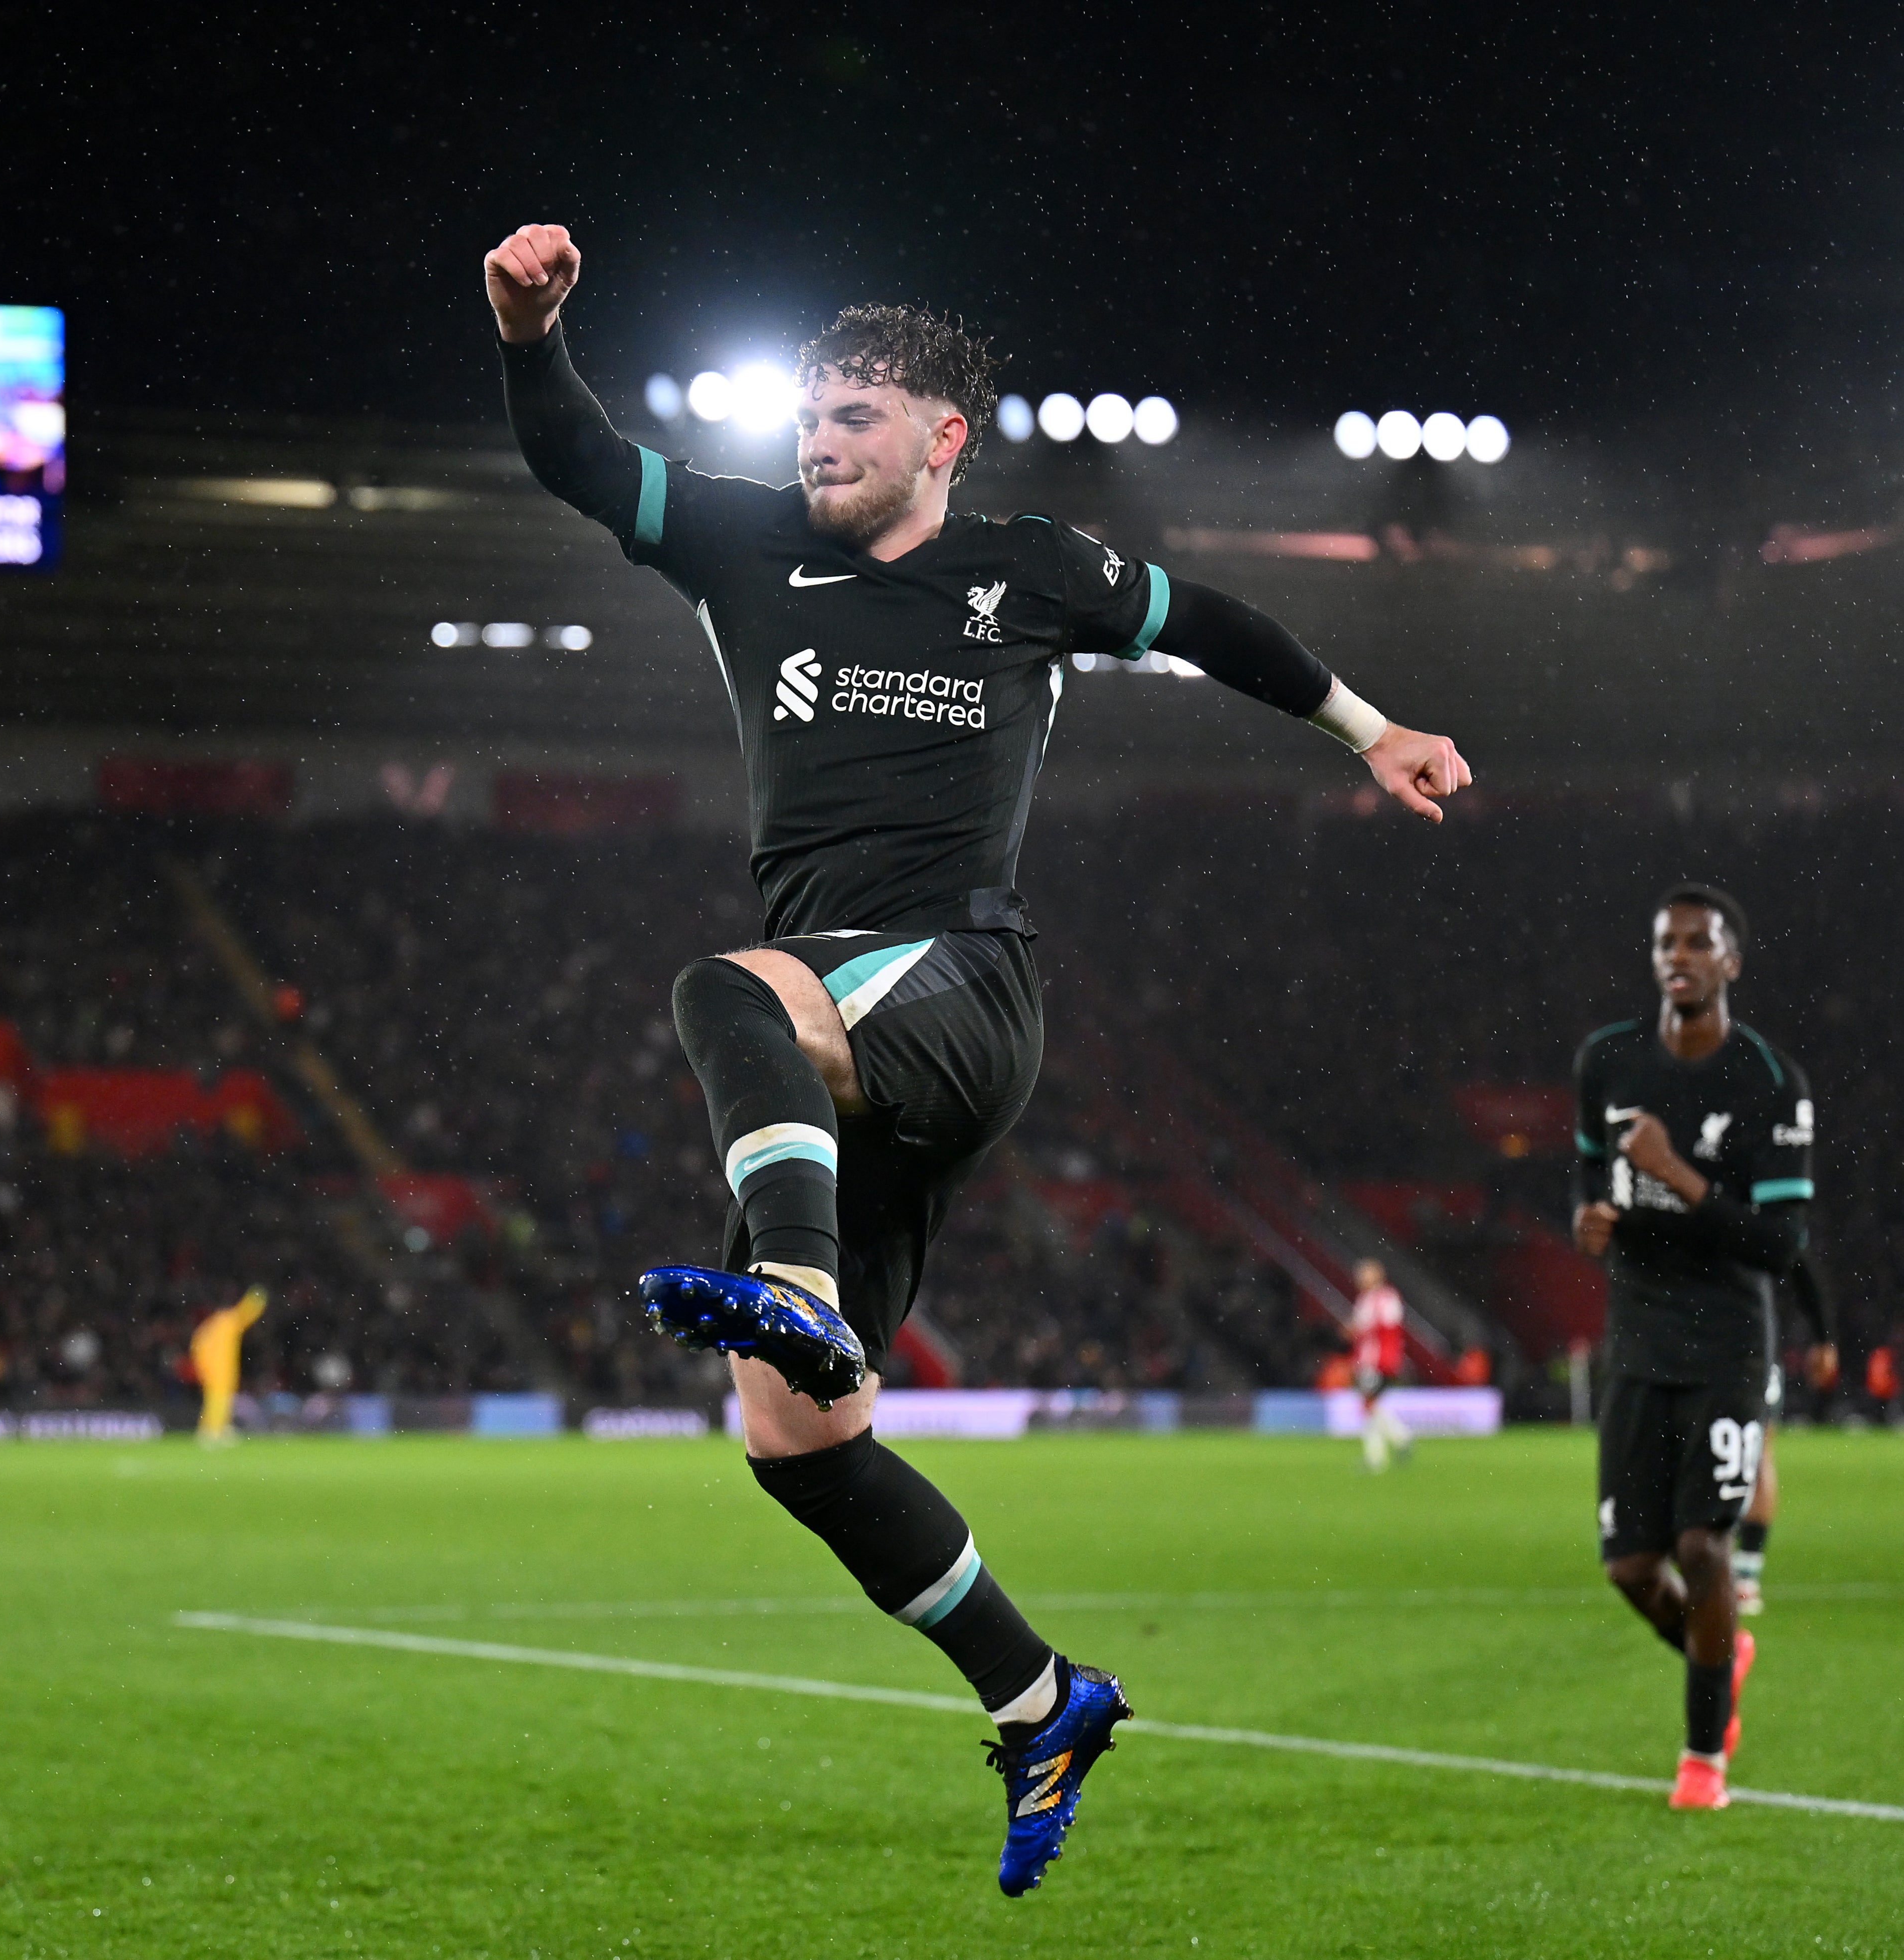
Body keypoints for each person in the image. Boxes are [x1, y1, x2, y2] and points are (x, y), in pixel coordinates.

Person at [485, 221, 1471, 1894]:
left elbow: (1214, 623)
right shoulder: (739, 544)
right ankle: (1037, 1694)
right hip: (837, 1030)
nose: (816, 437)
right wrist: (525, 334)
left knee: (721, 992)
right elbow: (576, 455)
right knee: (795, 1438)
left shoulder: (1030, 569)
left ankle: (791, 1275)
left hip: (954, 977)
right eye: (808, 409)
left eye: (856, 415)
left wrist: (1370, 732)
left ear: (942, 435)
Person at [1572, 885, 1811, 1812]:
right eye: (1664, 941)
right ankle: (1723, 1651)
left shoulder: (1767, 1081)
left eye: (1697, 942)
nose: (1677, 954)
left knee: (1704, 1549)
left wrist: (1680, 1176)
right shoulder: (1607, 1060)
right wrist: (1588, 1216)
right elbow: (1590, 1167)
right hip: (1634, 1336)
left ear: (1730, 963)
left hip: (1723, 1344)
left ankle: (1702, 1756)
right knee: (1631, 1568)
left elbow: (1784, 1244)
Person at [1729, 1254, 1839, 1615]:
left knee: (1757, 1453)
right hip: (1732, 1342)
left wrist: (1823, 1337)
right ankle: (1734, 1570)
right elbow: (1798, 1261)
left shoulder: (1745, 1212)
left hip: (1743, 1346)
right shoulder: (1751, 1211)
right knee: (1753, 1453)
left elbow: (1797, 1260)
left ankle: (1743, 1574)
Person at [1348, 1258, 1412, 1472]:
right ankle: (1380, 1454)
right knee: (1370, 1405)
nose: (1359, 1278)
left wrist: (1353, 1330)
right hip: (1380, 1359)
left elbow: (1375, 1327)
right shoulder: (1385, 1297)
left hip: (1376, 1360)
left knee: (1368, 1404)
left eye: (1364, 1274)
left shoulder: (1377, 1299)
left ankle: (1398, 1439)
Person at [191, 1286, 267, 1444]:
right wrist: (256, 1302)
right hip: (219, 1369)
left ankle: (216, 1428)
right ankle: (212, 1431)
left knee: (220, 1400)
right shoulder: (227, 1322)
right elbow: (245, 1315)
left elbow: (198, 1346)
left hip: (219, 1368)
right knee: (218, 1400)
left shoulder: (214, 1325)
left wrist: (202, 1366)